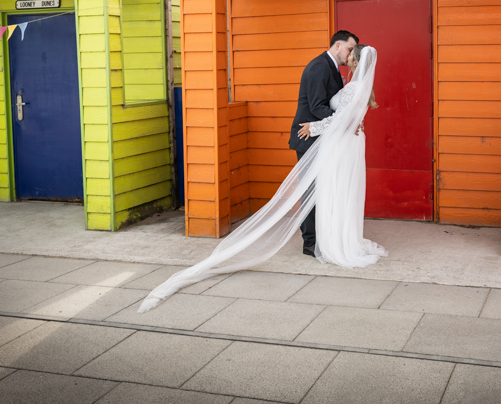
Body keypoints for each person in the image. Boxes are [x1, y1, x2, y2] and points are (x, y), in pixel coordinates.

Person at [137, 42, 385, 313]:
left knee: (333, 194)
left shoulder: (352, 88)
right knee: (338, 194)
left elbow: (339, 119)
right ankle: (339, 239)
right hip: (352, 144)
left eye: (352, 54)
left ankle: (333, 242)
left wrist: (312, 127)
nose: (349, 57)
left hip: (341, 146)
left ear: (357, 61)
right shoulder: (361, 88)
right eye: (348, 50)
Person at [289, 30, 357, 257]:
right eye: (349, 48)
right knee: (311, 191)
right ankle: (309, 242)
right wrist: (346, 121)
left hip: (323, 138)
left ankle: (321, 235)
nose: (350, 54)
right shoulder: (320, 67)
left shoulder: (333, 68)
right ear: (337, 46)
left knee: (322, 189)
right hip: (308, 138)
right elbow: (317, 106)